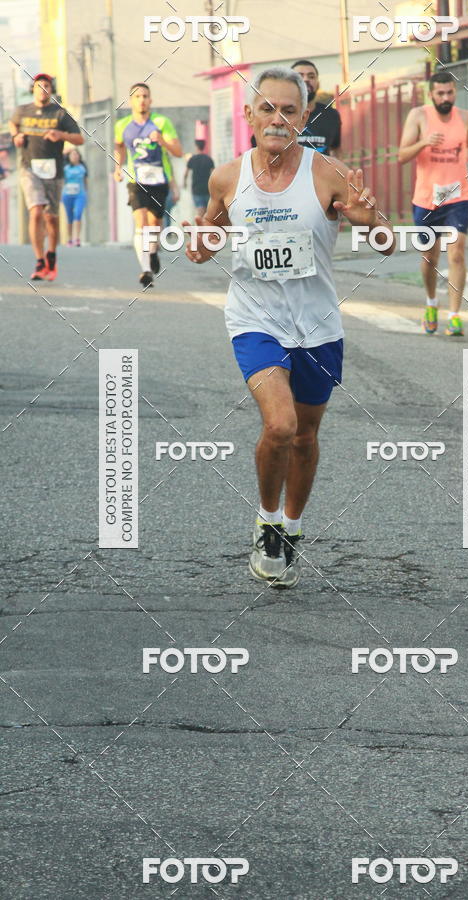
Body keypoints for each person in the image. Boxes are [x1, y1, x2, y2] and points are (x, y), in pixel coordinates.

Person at [185, 66, 394, 588]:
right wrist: (199, 243)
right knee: (280, 425)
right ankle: (267, 520)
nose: (278, 119)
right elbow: (207, 239)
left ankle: (292, 528)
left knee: (305, 436)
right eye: (267, 109)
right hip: (255, 319)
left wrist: (373, 220)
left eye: (289, 110)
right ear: (250, 115)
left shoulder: (328, 173)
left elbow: (385, 239)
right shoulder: (227, 177)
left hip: (318, 326)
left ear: (304, 117)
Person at [398, 70, 468, 336]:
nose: (446, 97)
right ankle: (431, 303)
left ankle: (455, 315)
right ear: (431, 94)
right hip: (427, 198)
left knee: (457, 251)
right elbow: (402, 155)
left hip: (458, 195)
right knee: (429, 257)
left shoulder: (467, 117)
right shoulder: (419, 116)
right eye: (440, 93)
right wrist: (425, 141)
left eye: (450, 92)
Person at [9, 73, 84, 281]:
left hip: (53, 171)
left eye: (47, 86)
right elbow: (13, 123)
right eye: (39, 86)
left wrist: (61, 135)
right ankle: (39, 260)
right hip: (29, 168)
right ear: (32, 89)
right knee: (35, 211)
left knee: (51, 217)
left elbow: (80, 139)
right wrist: (16, 135)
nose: (43, 90)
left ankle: (51, 253)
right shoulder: (22, 111)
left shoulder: (60, 114)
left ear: (51, 91)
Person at [114, 83, 183, 287]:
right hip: (136, 180)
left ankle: (152, 252)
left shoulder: (162, 122)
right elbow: (119, 147)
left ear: (150, 100)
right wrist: (117, 167)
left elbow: (178, 152)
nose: (141, 100)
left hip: (159, 180)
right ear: (131, 101)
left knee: (154, 225)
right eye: (137, 96)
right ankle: (145, 270)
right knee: (141, 223)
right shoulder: (122, 125)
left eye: (145, 96)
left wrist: (162, 140)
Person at [62, 148, 87, 246]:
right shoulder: (66, 168)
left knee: (78, 214)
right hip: (67, 194)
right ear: (69, 157)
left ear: (79, 156)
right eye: (72, 155)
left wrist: (85, 192)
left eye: (76, 154)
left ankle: (77, 238)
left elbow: (86, 180)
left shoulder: (83, 167)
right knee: (69, 217)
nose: (74, 156)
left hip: (80, 194)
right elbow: (62, 181)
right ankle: (69, 239)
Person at [184, 139, 214, 217]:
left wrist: (185, 183)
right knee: (207, 212)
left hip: (196, 189)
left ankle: (200, 227)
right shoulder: (208, 159)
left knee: (200, 211)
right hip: (207, 189)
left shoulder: (192, 159)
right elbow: (214, 174)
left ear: (196, 147)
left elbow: (186, 173)